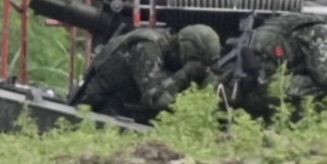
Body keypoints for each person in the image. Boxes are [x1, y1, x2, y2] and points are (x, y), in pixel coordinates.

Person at [76, 23, 221, 123]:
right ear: (187, 51)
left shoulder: (176, 54)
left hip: (128, 107)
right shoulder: (148, 46)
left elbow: (209, 88)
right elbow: (154, 99)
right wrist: (185, 73)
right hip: (101, 105)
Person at [227, 11, 327, 117]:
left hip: (255, 82)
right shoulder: (324, 32)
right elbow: (324, 77)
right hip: (265, 86)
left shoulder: (307, 22)